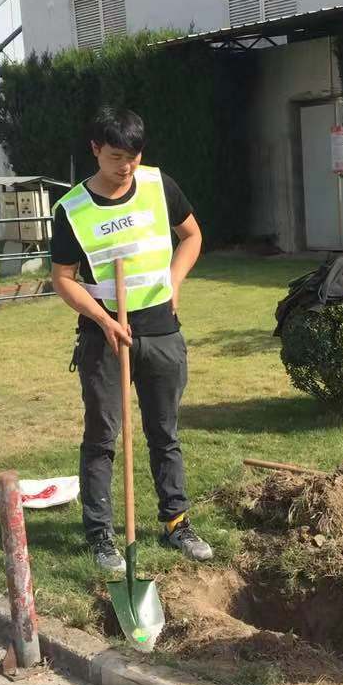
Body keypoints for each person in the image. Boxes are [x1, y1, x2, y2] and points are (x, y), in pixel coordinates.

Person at [50, 107, 212, 572]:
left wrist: (176, 282)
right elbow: (63, 278)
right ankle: (101, 535)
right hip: (105, 336)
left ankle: (176, 522)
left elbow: (192, 236)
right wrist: (102, 319)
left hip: (161, 328)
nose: (127, 167)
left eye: (134, 156)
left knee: (164, 431)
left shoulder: (160, 186)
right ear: (96, 149)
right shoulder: (73, 210)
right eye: (117, 156)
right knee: (103, 435)